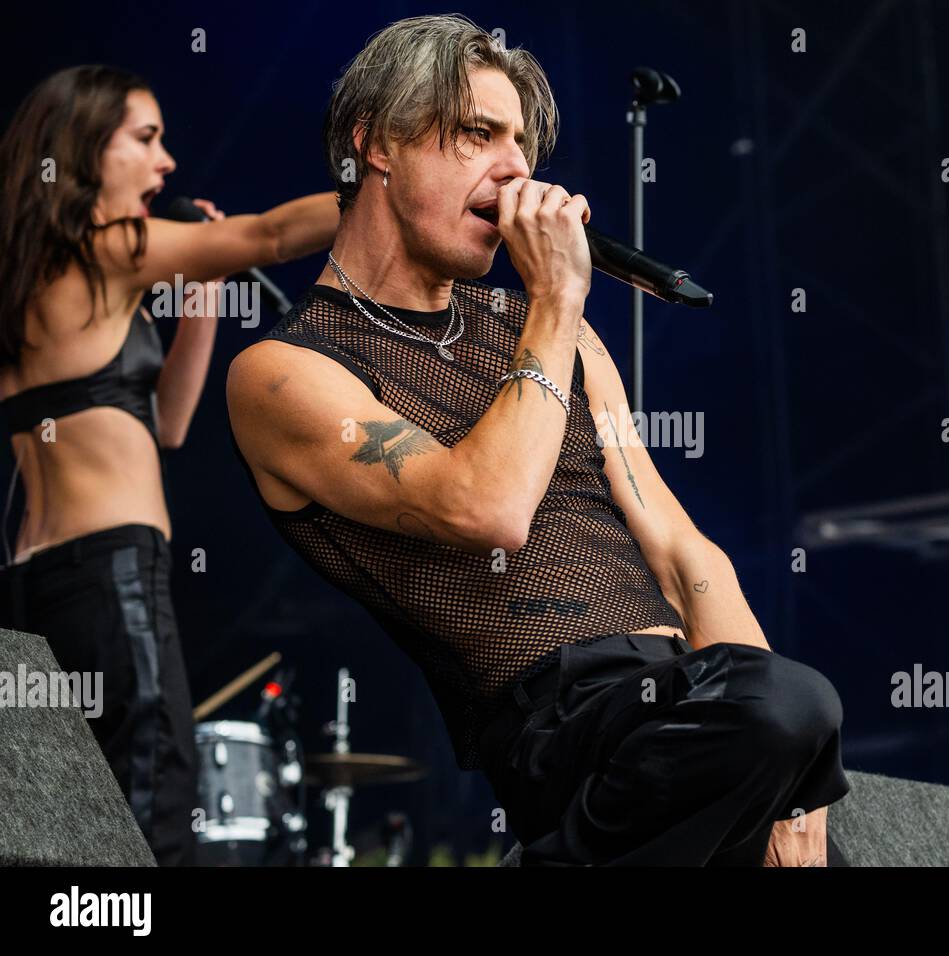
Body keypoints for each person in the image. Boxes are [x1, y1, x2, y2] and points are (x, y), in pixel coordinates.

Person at [227, 14, 850, 866]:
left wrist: (798, 784)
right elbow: (486, 508)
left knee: (798, 724)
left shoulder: (554, 337)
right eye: (478, 134)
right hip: (564, 723)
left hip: (700, 715)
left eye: (521, 142)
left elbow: (676, 546)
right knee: (790, 702)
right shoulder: (284, 371)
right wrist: (557, 301)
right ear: (376, 145)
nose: (517, 167)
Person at [0, 64, 339, 865]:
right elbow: (268, 236)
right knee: (150, 821)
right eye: (146, 139)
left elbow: (169, 427)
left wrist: (201, 293)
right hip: (112, 581)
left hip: (29, 594)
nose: (168, 163)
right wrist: (401, 190)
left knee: (61, 849)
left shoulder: (29, 271)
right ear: (84, 150)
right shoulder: (107, 251)